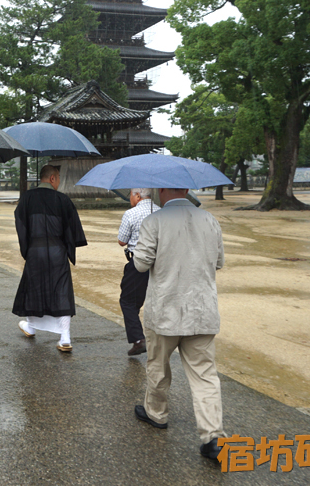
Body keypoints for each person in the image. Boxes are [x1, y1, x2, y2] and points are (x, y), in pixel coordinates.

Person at [132, 187, 226, 461]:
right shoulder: (209, 219)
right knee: (205, 375)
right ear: (186, 189)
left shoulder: (154, 221)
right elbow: (218, 262)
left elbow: (140, 264)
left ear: (161, 190)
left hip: (165, 311)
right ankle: (213, 436)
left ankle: (157, 414)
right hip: (202, 311)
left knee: (158, 366)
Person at [13, 164, 87, 352]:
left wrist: (27, 248)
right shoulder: (63, 200)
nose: (59, 181)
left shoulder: (27, 198)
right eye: (59, 178)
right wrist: (68, 246)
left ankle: (31, 326)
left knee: (34, 289)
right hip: (58, 251)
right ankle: (65, 338)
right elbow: (73, 229)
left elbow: (20, 224)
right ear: (52, 178)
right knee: (61, 291)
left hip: (35, 251)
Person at [116, 188, 158, 356]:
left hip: (138, 262)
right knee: (156, 300)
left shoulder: (131, 213)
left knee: (128, 301)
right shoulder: (161, 212)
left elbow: (121, 241)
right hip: (160, 263)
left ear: (138, 196)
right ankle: (158, 339)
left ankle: (138, 339)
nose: (130, 198)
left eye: (131, 195)